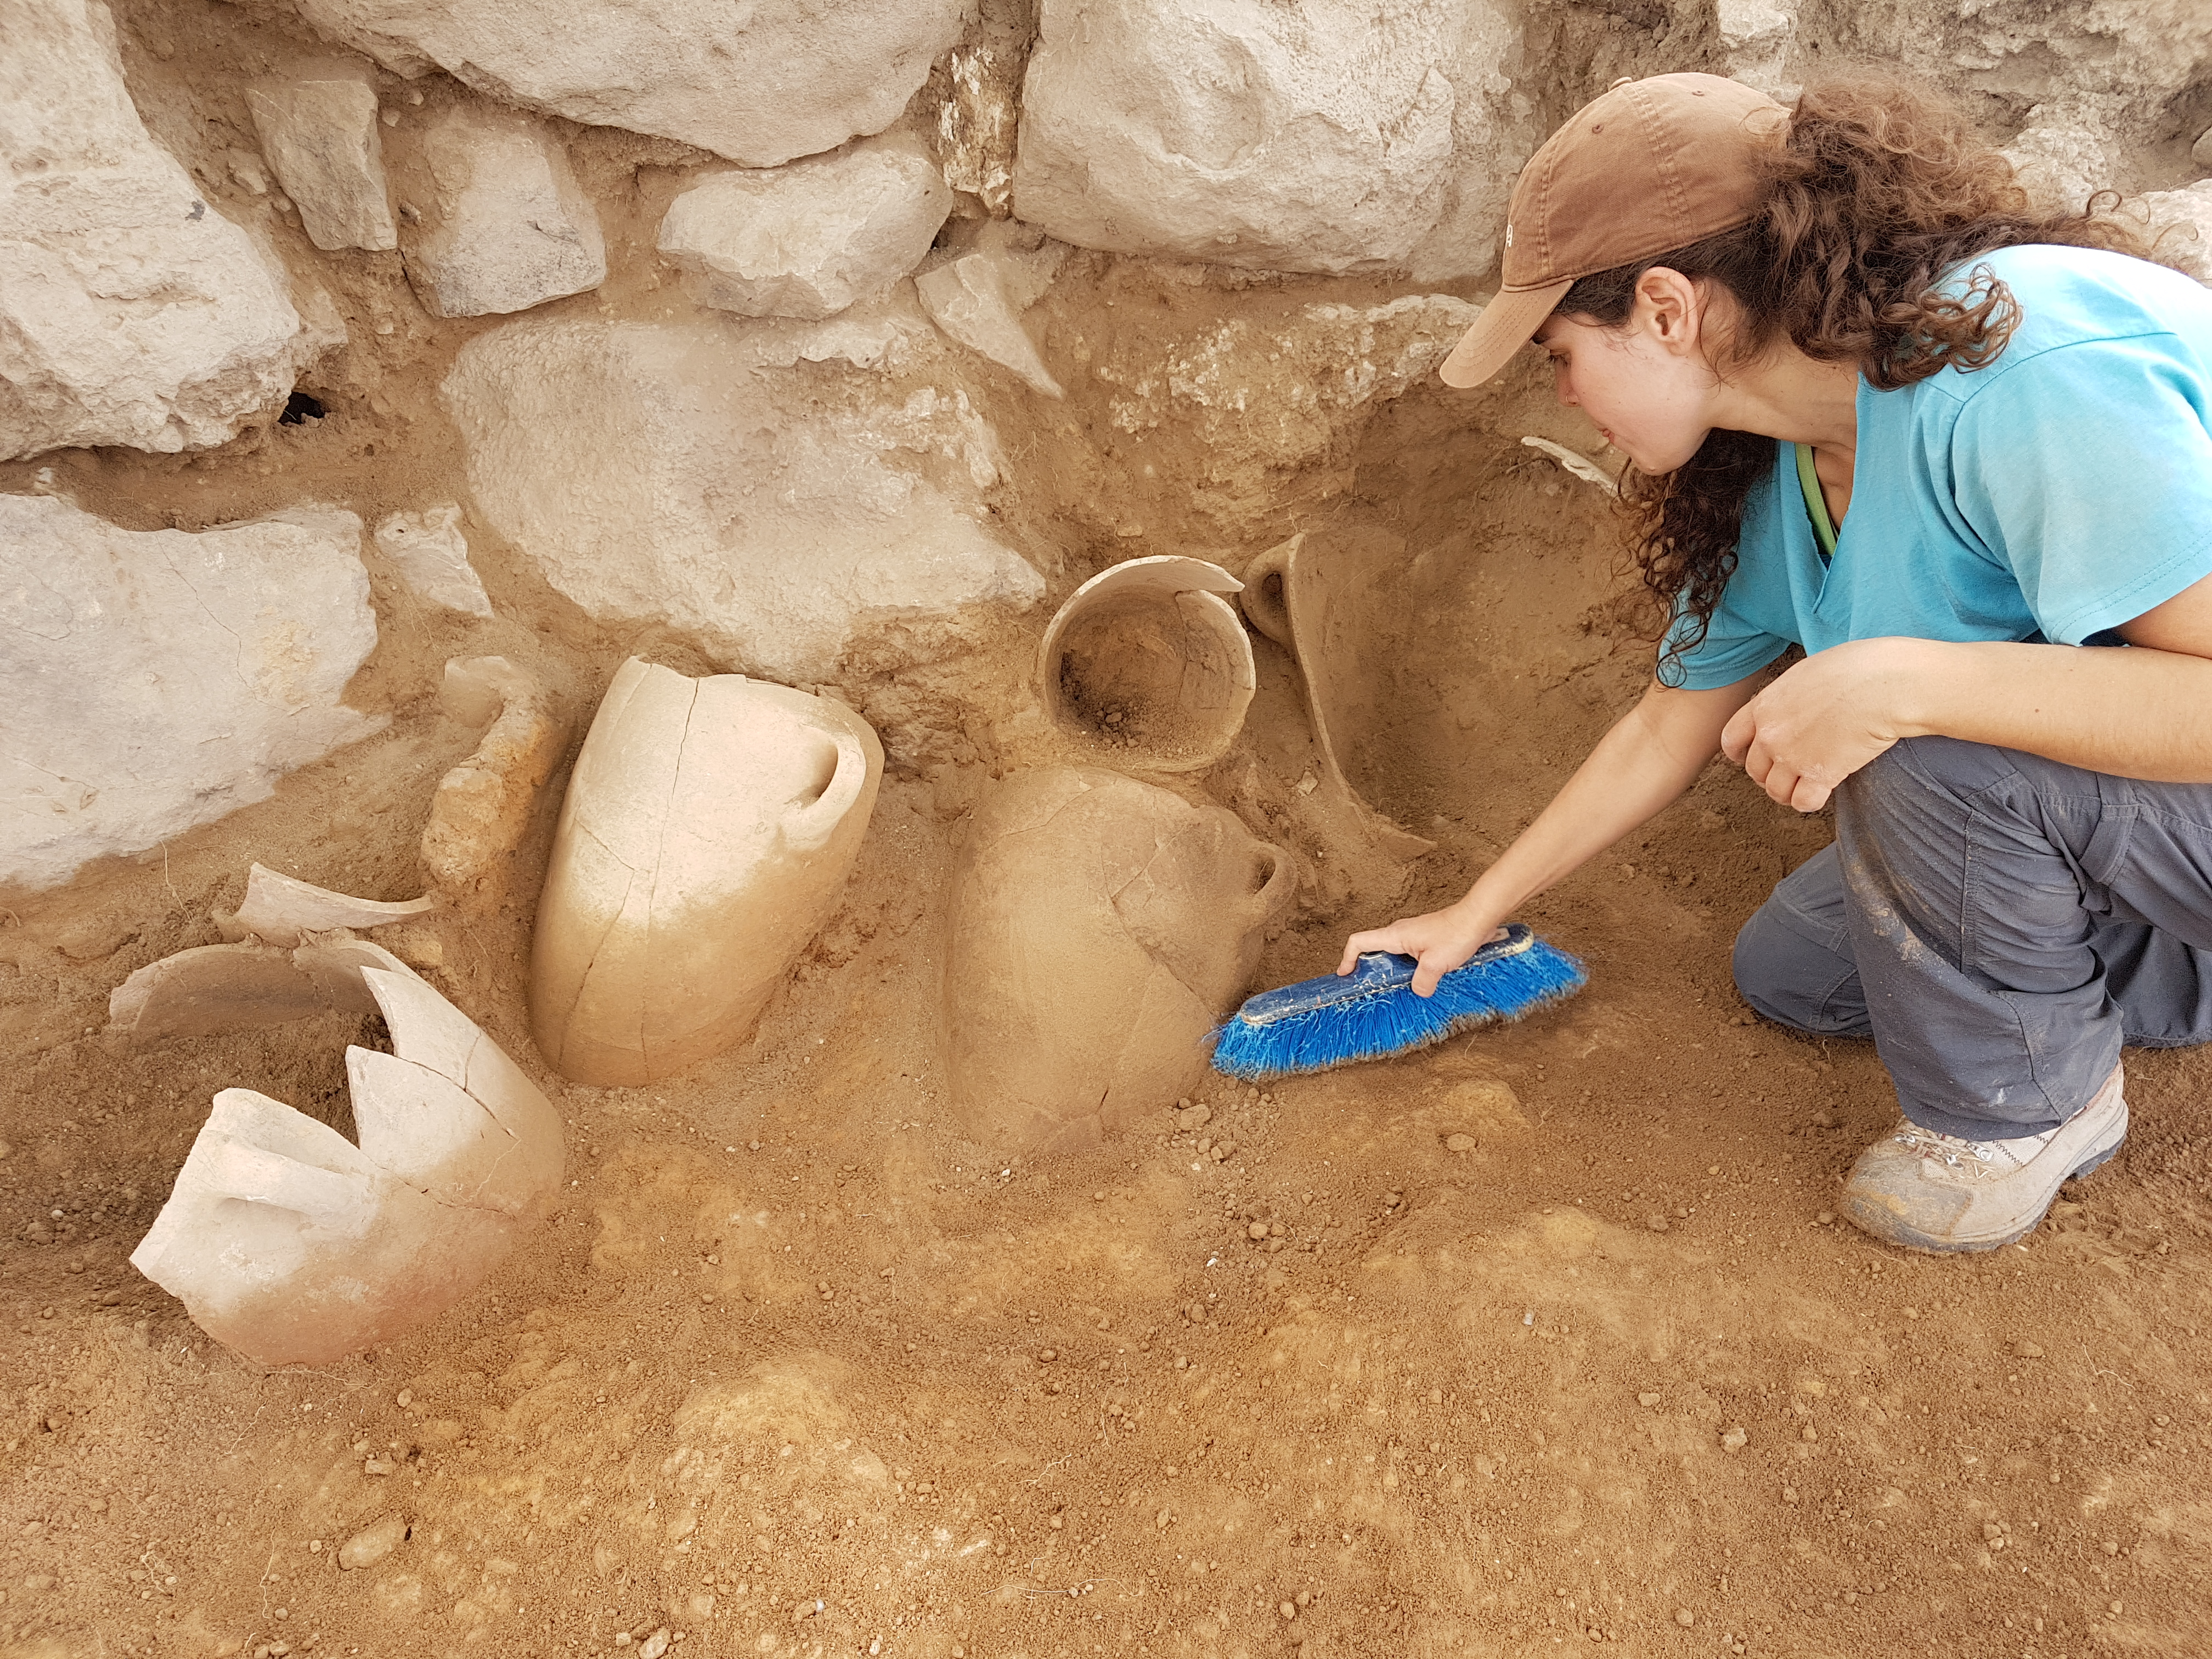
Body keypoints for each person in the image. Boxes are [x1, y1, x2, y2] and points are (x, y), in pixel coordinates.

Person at [1338, 71, 2212, 1254]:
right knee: (1797, 965)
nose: (1560, 395)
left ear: (1665, 309)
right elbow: (1667, 722)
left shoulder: (2024, 371)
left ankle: (2030, 1111)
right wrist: (1474, 913)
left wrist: (1905, 685)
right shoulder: (1792, 473)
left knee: (1921, 752)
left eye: (1559, 353)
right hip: (2160, 821)